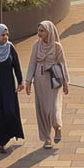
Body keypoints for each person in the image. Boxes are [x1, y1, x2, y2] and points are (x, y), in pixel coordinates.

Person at [24, 20, 69, 149]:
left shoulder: (57, 47)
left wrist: (66, 83)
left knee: (53, 108)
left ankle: (57, 127)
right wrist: (28, 81)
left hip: (54, 80)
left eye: (42, 31)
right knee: (43, 110)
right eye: (38, 30)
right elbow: (32, 63)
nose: (39, 33)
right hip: (40, 80)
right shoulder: (36, 46)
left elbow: (62, 64)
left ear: (49, 31)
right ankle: (47, 138)